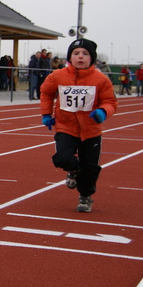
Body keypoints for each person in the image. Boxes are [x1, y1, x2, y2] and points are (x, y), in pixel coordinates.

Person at [40, 39, 118, 212]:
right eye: (76, 54)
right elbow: (46, 92)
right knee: (62, 157)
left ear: (92, 58)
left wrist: (103, 112)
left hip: (91, 130)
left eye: (85, 54)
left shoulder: (101, 79)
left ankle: (85, 196)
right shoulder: (58, 76)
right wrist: (46, 114)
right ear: (70, 58)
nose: (80, 57)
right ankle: (74, 170)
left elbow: (110, 101)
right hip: (66, 126)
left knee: (90, 168)